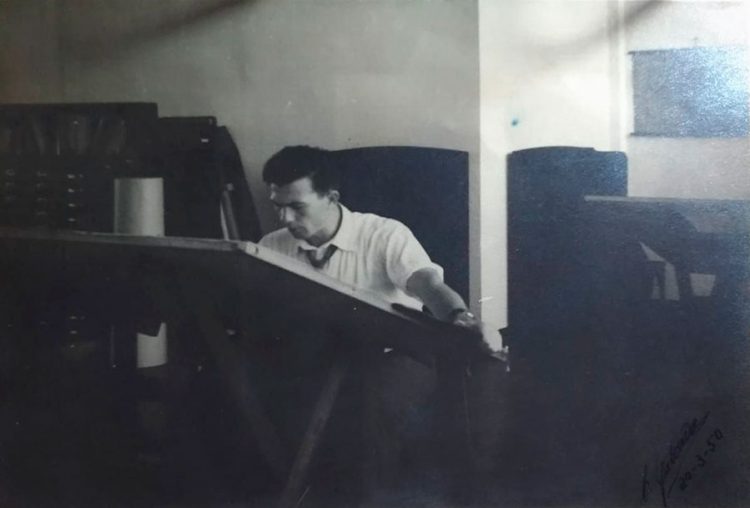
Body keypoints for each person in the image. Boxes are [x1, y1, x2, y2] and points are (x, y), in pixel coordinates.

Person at [257, 145, 504, 504]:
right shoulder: (271, 245)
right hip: (319, 357)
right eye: (277, 206)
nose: (284, 218)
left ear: (331, 198)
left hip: (397, 355)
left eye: (297, 206)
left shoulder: (384, 234)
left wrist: (459, 317)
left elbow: (427, 284)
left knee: (367, 408)